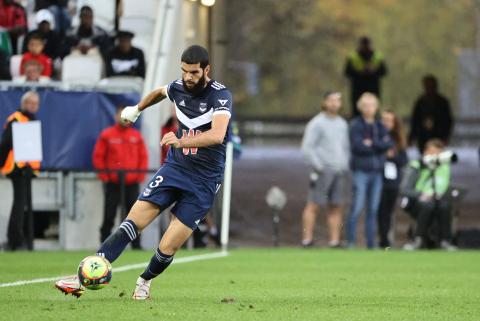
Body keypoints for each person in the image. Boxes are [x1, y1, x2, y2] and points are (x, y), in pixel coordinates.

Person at [55, 45, 233, 300]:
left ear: (206, 70)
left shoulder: (220, 95)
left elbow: (217, 136)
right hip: (176, 168)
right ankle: (83, 278)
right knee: (131, 222)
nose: (188, 77)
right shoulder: (179, 87)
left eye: (193, 73)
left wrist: (181, 141)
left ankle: (144, 281)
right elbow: (160, 92)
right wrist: (137, 109)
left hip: (204, 180)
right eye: (184, 71)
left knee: (168, 245)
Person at [92, 107, 148, 249]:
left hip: (131, 183)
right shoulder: (107, 135)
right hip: (113, 183)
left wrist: (139, 176)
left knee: (135, 216)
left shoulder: (136, 136)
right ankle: (104, 244)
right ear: (116, 116)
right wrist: (105, 177)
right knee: (109, 215)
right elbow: (98, 157)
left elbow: (143, 156)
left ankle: (136, 245)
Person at [300, 91, 350, 248]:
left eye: (337, 101)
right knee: (314, 204)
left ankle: (334, 241)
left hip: (339, 170)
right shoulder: (317, 123)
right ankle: (307, 240)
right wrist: (318, 165)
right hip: (323, 170)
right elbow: (307, 148)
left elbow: (345, 147)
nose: (334, 104)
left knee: (336, 205)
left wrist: (344, 164)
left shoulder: (342, 124)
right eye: (331, 100)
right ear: (325, 102)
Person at [346, 93, 393, 248]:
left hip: (377, 172)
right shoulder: (356, 125)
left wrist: (372, 144)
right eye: (365, 105)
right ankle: (351, 241)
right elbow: (357, 146)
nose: (369, 109)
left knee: (373, 209)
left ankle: (371, 243)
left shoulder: (379, 126)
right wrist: (378, 146)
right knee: (357, 207)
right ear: (360, 107)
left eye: (372, 105)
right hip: (361, 171)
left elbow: (388, 143)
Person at [0, 91, 41, 251]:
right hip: (17, 168)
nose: (33, 106)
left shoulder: (31, 119)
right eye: (30, 103)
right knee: (20, 203)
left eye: (35, 103)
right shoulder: (16, 119)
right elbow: (5, 144)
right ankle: (15, 240)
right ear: (24, 104)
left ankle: (19, 238)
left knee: (22, 203)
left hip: (28, 169)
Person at [401, 139, 456, 251]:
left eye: (438, 153)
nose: (435, 156)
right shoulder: (417, 165)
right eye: (432, 152)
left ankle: (445, 241)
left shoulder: (444, 167)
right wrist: (421, 194)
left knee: (445, 206)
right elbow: (404, 189)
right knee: (427, 205)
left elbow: (445, 185)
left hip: (437, 200)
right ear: (425, 152)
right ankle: (417, 239)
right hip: (417, 202)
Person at [377, 110, 408, 248]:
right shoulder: (376, 136)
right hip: (379, 178)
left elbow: (403, 160)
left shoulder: (398, 139)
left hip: (393, 180)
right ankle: (382, 239)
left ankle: (387, 238)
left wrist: (392, 157)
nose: (386, 123)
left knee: (389, 211)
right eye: (384, 120)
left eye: (390, 120)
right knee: (379, 210)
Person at [408, 75, 453, 153]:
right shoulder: (420, 103)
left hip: (438, 136)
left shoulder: (442, 103)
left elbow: (448, 120)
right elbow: (415, 120)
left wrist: (446, 136)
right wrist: (412, 137)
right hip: (423, 137)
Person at [344, 36, 387, 117]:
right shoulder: (353, 56)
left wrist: (373, 71)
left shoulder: (377, 56)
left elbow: (384, 71)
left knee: (374, 111)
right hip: (358, 88)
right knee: (357, 111)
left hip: (373, 88)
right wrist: (360, 72)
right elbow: (347, 72)